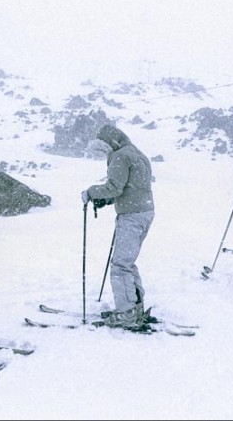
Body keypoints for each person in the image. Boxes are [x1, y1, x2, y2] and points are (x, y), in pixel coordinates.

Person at [81, 125, 154, 329]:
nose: (106, 153)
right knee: (127, 262)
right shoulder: (137, 154)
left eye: (104, 149)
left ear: (111, 143)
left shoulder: (120, 156)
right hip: (144, 212)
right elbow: (132, 188)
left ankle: (127, 313)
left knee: (120, 265)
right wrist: (108, 201)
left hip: (131, 216)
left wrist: (91, 193)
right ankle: (135, 307)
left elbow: (114, 187)